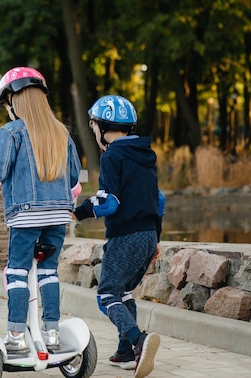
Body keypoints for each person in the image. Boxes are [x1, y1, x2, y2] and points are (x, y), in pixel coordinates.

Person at [0, 67, 82, 354]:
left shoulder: (11, 133)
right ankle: (51, 333)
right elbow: (75, 184)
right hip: (59, 216)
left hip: (26, 216)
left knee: (17, 273)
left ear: (14, 101)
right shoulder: (62, 133)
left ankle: (16, 336)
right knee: (49, 272)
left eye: (7, 102)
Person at [72, 94, 162, 378]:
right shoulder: (145, 155)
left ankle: (139, 340)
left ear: (102, 126)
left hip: (125, 236)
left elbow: (109, 202)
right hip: (148, 234)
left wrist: (79, 212)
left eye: (94, 126)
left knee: (107, 295)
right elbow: (159, 201)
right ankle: (125, 352)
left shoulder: (112, 156)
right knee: (123, 292)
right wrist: (155, 238)